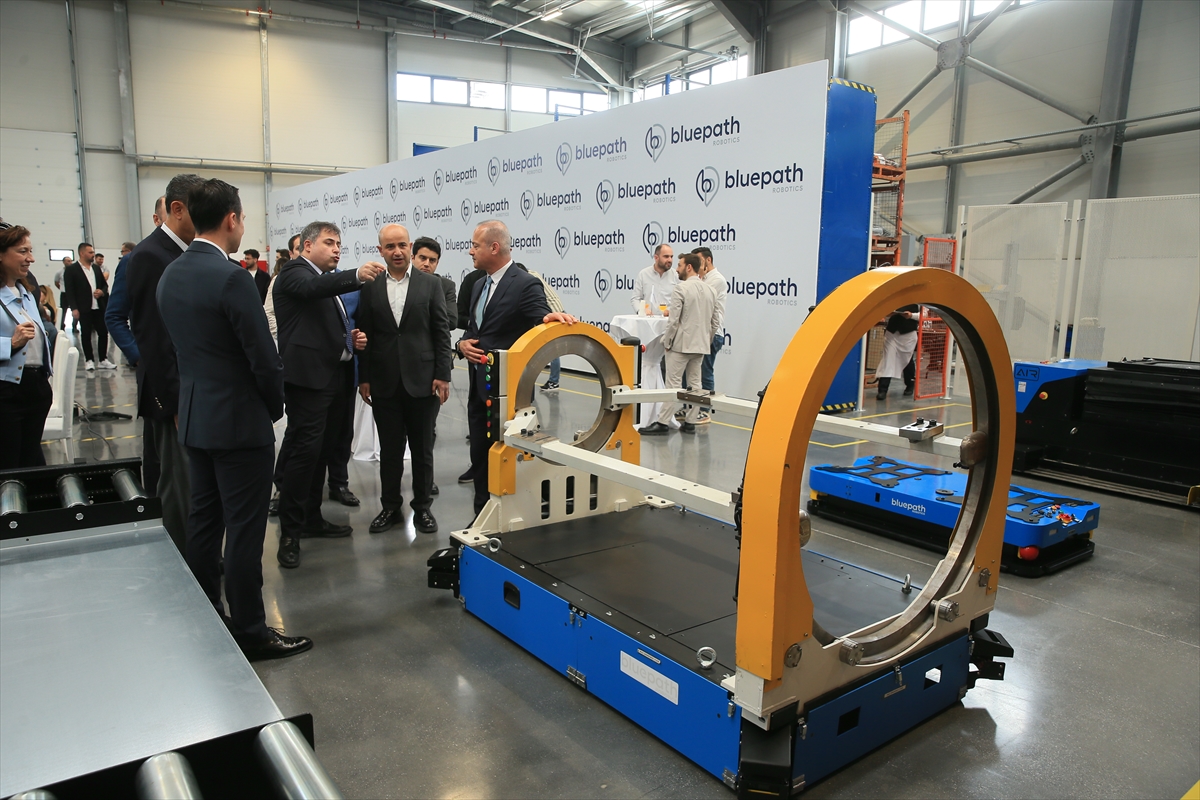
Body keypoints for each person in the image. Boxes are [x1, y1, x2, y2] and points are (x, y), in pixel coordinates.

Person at [157, 178, 309, 662]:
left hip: (196, 417)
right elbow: (262, 357)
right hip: (240, 423)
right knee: (244, 531)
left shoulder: (171, 273)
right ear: (231, 219)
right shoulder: (232, 278)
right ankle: (251, 630)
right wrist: (274, 405)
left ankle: (209, 616)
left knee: (204, 523)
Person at [273, 221, 382, 569]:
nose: (337, 249)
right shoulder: (295, 273)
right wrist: (356, 275)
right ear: (307, 246)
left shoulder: (323, 280)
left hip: (334, 378)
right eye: (329, 242)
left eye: (339, 244)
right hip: (308, 382)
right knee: (304, 455)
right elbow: (312, 290)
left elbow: (320, 325)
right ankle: (290, 533)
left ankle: (311, 518)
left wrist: (351, 340)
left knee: (321, 452)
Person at [458, 220, 576, 516]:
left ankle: (511, 513)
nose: (470, 251)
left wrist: (549, 319)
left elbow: (539, 317)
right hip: (478, 388)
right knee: (480, 454)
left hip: (509, 393)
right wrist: (463, 343)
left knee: (509, 454)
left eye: (475, 245)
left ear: (493, 247)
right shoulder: (478, 284)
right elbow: (475, 329)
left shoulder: (525, 283)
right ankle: (482, 514)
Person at [125, 173, 206, 551]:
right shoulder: (150, 256)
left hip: (194, 389)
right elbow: (153, 336)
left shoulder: (185, 252)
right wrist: (174, 400)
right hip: (174, 393)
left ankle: (200, 553)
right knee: (179, 484)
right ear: (177, 209)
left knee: (194, 482)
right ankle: (186, 561)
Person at [357, 225, 451, 535]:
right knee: (390, 451)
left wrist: (443, 375)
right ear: (380, 250)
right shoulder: (370, 287)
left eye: (401, 245)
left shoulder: (431, 284)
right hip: (384, 381)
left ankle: (422, 507)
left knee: (422, 450)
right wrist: (364, 377)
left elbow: (441, 332)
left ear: (410, 247)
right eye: (389, 246)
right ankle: (390, 507)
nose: (396, 251)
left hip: (423, 381)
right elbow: (366, 334)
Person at [642, 253, 718, 436]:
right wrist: (705, 340)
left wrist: (667, 342)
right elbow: (715, 322)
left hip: (681, 345)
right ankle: (690, 422)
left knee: (673, 385)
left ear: (689, 267)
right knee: (696, 385)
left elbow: (673, 321)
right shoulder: (711, 291)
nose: (676, 269)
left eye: (680, 265)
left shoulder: (680, 289)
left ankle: (663, 422)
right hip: (700, 345)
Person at [1, 222, 55, 469]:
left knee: (31, 463)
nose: (30, 258)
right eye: (22, 251)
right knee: (11, 465)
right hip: (7, 392)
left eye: (30, 251)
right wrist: (10, 343)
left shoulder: (26, 292)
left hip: (35, 388)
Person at [63, 242, 116, 370]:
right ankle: (89, 360)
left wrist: (102, 292)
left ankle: (103, 359)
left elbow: (105, 285)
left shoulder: (96, 268)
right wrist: (74, 308)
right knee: (86, 334)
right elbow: (69, 291)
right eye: (90, 252)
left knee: (103, 333)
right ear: (82, 253)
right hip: (84, 307)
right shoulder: (71, 270)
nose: (93, 254)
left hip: (99, 307)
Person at [693, 246, 727, 408]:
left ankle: (705, 411)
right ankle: (690, 408)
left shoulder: (717, 280)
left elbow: (699, 299)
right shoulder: (702, 279)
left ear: (708, 260)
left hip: (711, 334)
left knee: (705, 373)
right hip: (700, 333)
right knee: (693, 374)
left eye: (698, 261)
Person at [528, 269, 566, 392]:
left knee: (553, 350)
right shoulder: (532, 273)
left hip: (553, 314)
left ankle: (554, 382)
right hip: (554, 312)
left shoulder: (529, 278)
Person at [876, 304, 920, 400]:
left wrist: (911, 315)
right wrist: (887, 314)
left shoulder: (919, 301)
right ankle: (882, 390)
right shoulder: (893, 299)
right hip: (892, 333)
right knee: (888, 360)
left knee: (907, 360)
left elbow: (924, 316)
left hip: (908, 335)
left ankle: (910, 385)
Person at [630, 243, 677, 315]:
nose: (670, 260)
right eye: (666, 256)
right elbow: (635, 298)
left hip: (668, 320)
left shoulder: (676, 275)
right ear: (656, 258)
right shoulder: (644, 274)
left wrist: (672, 311)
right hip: (647, 319)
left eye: (671, 257)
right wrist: (641, 311)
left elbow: (681, 300)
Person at [55, 255, 73, 332]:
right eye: (68, 261)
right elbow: (56, 282)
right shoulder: (59, 272)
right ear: (64, 262)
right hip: (64, 293)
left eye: (71, 261)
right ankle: (62, 325)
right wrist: (62, 288)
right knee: (63, 310)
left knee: (75, 309)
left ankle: (74, 326)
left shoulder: (74, 271)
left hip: (72, 294)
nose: (70, 262)